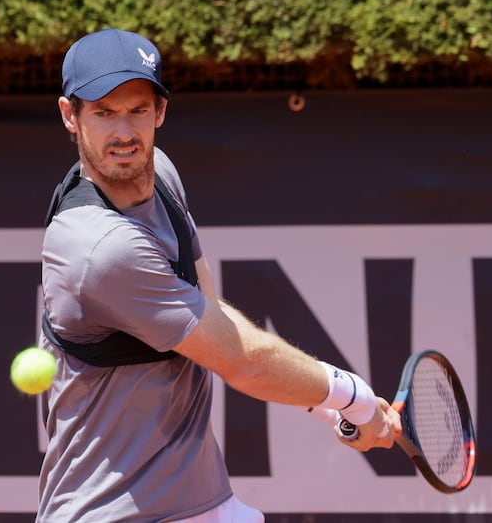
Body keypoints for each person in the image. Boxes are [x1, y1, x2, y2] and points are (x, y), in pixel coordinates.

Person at [36, 28, 401, 523]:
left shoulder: (160, 174)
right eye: (103, 112)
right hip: (111, 512)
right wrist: (353, 397)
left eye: (138, 110)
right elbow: (241, 360)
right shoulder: (100, 248)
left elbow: (212, 314)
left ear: (160, 111)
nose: (123, 132)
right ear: (69, 116)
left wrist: (326, 406)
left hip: (199, 503)